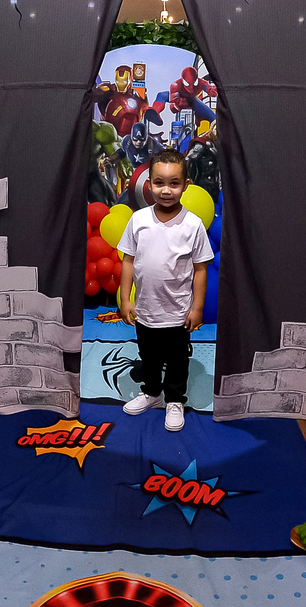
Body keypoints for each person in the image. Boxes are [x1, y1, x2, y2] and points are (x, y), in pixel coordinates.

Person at [117, 148, 214, 431]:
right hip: (145, 310)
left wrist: (197, 308)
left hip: (177, 312)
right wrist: (125, 299)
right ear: (149, 184)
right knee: (148, 357)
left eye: (174, 183)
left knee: (177, 360)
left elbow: (200, 269)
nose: (166, 190)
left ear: (186, 185)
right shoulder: (138, 220)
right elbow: (128, 261)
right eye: (159, 183)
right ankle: (152, 393)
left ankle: (174, 399)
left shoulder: (193, 225)